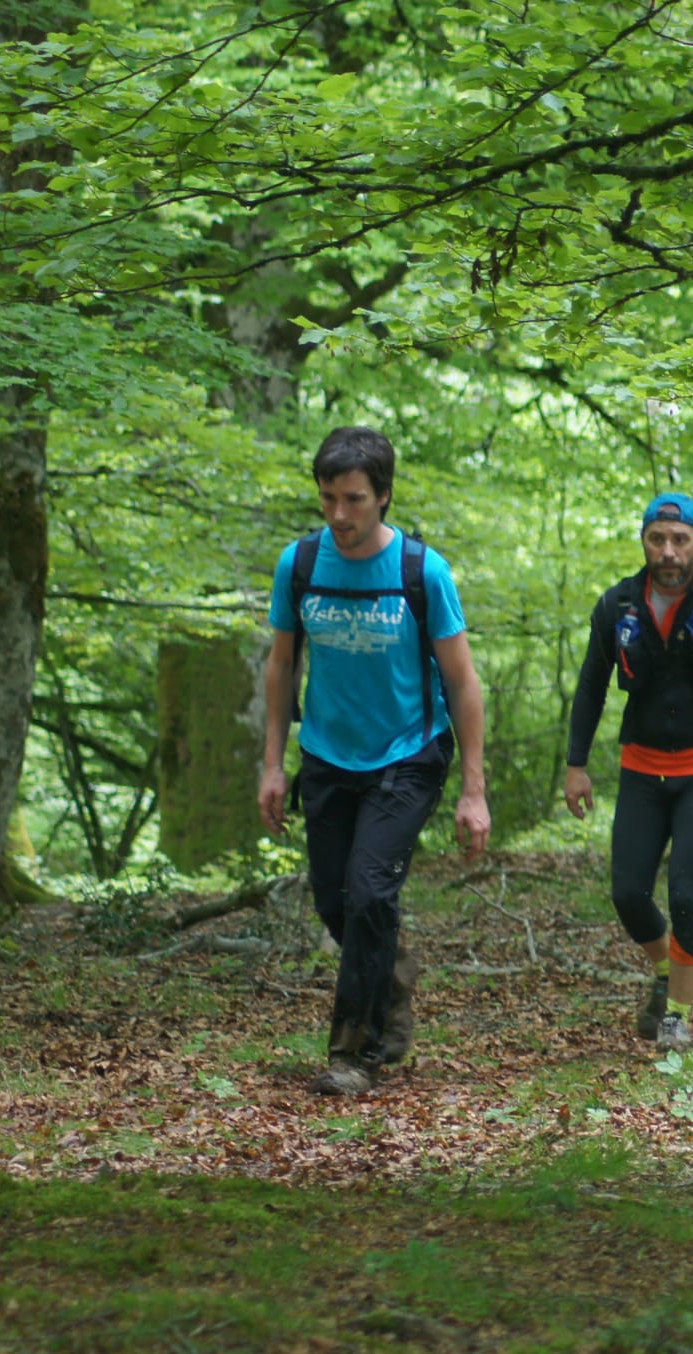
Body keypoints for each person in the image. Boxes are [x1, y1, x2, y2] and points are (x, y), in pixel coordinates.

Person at [259, 426, 491, 1097]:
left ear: (383, 497)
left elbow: (462, 681)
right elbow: (280, 665)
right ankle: (390, 976)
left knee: (368, 891)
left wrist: (472, 791)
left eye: (354, 499)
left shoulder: (423, 572)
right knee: (340, 902)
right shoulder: (299, 565)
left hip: (408, 754)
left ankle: (352, 1054)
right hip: (328, 754)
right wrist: (273, 764)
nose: (339, 515)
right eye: (329, 498)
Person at [563, 493, 693, 1052]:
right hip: (643, 767)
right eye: (658, 539)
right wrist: (576, 764)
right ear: (644, 542)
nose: (668, 551)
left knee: (686, 890)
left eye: (680, 540)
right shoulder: (618, 605)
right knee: (629, 892)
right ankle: (665, 967)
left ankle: (677, 1015)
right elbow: (590, 685)